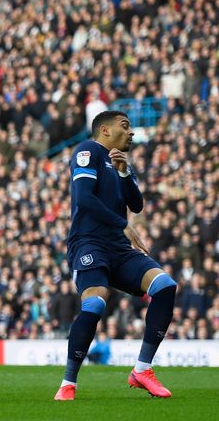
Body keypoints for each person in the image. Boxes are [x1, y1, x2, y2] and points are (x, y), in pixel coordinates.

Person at [54, 111, 177, 401]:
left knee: (165, 286)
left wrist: (124, 173)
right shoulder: (88, 151)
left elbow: (136, 204)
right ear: (105, 131)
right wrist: (122, 224)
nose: (131, 132)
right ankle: (68, 383)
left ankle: (142, 371)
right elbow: (83, 198)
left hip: (118, 248)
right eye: (125, 126)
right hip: (89, 242)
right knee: (95, 304)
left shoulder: (121, 162)